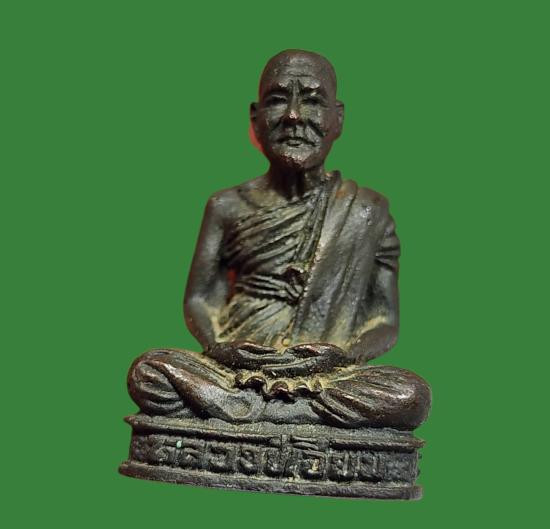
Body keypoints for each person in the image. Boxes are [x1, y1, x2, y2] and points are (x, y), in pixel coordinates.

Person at [127, 50, 431, 429]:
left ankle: (252, 411)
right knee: (149, 371)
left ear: (337, 118)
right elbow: (200, 299)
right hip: (235, 368)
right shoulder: (226, 206)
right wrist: (219, 348)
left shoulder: (367, 211)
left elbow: (384, 320)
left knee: (410, 394)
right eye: (277, 100)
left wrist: (343, 357)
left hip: (323, 374)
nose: (293, 116)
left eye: (313, 101)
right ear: (255, 118)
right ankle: (275, 409)